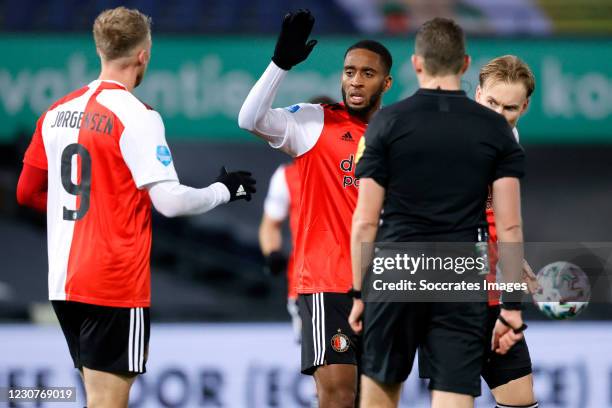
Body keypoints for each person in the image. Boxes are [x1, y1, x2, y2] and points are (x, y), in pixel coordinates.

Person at [15, 7, 255, 408]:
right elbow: (171, 202)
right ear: (143, 55)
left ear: (100, 50)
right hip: (112, 282)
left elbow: (26, 193)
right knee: (109, 401)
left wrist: (86, 218)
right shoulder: (137, 116)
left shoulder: (55, 112)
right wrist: (222, 191)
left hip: (64, 280)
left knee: (96, 396)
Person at [349, 17, 526, 408]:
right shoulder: (495, 130)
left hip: (395, 269)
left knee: (380, 392)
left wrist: (359, 294)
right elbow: (510, 225)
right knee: (453, 395)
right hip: (460, 273)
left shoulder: (386, 123)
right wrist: (511, 306)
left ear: (416, 63)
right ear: (465, 65)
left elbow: (363, 220)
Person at [239, 10, 392, 407]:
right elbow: (249, 118)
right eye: (349, 71)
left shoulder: (397, 134)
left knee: (375, 398)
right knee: (338, 395)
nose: (356, 80)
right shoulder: (314, 123)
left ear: (386, 82)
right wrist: (279, 65)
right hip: (328, 283)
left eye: (367, 73)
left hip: (384, 286)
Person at [476, 55, 539, 408]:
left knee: (519, 400)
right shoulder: (449, 138)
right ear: (478, 94)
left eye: (510, 108)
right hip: (446, 290)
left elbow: (494, 212)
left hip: (492, 288)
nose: (498, 115)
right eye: (491, 103)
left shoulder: (509, 139)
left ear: (525, 106)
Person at [259, 95, 336, 343]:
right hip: (307, 284)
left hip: (356, 282)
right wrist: (272, 253)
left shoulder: (360, 171)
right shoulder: (286, 176)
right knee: (324, 371)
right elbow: (270, 226)